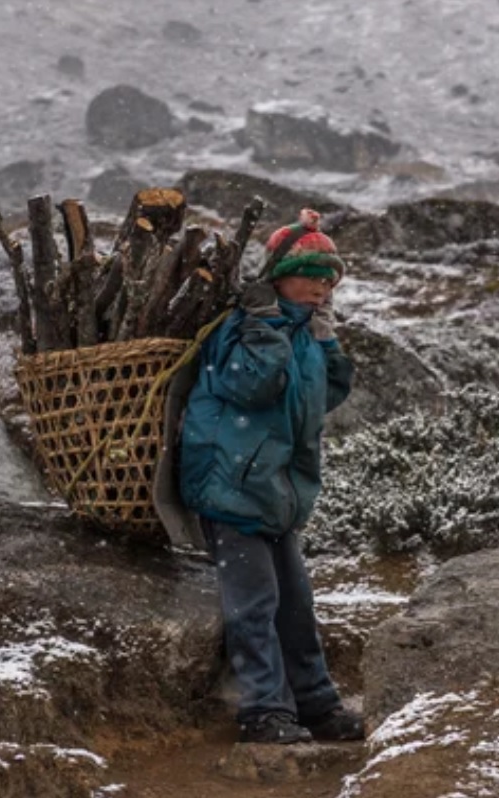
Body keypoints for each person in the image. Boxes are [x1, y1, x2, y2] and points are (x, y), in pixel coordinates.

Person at [178, 208, 363, 744]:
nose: (322, 288)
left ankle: (315, 705)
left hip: (277, 492)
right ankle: (263, 711)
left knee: (296, 607)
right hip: (231, 489)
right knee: (255, 606)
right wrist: (265, 328)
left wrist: (326, 343)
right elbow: (249, 388)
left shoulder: (304, 333)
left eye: (329, 280)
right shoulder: (244, 327)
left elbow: (325, 396)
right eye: (310, 275)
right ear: (277, 276)